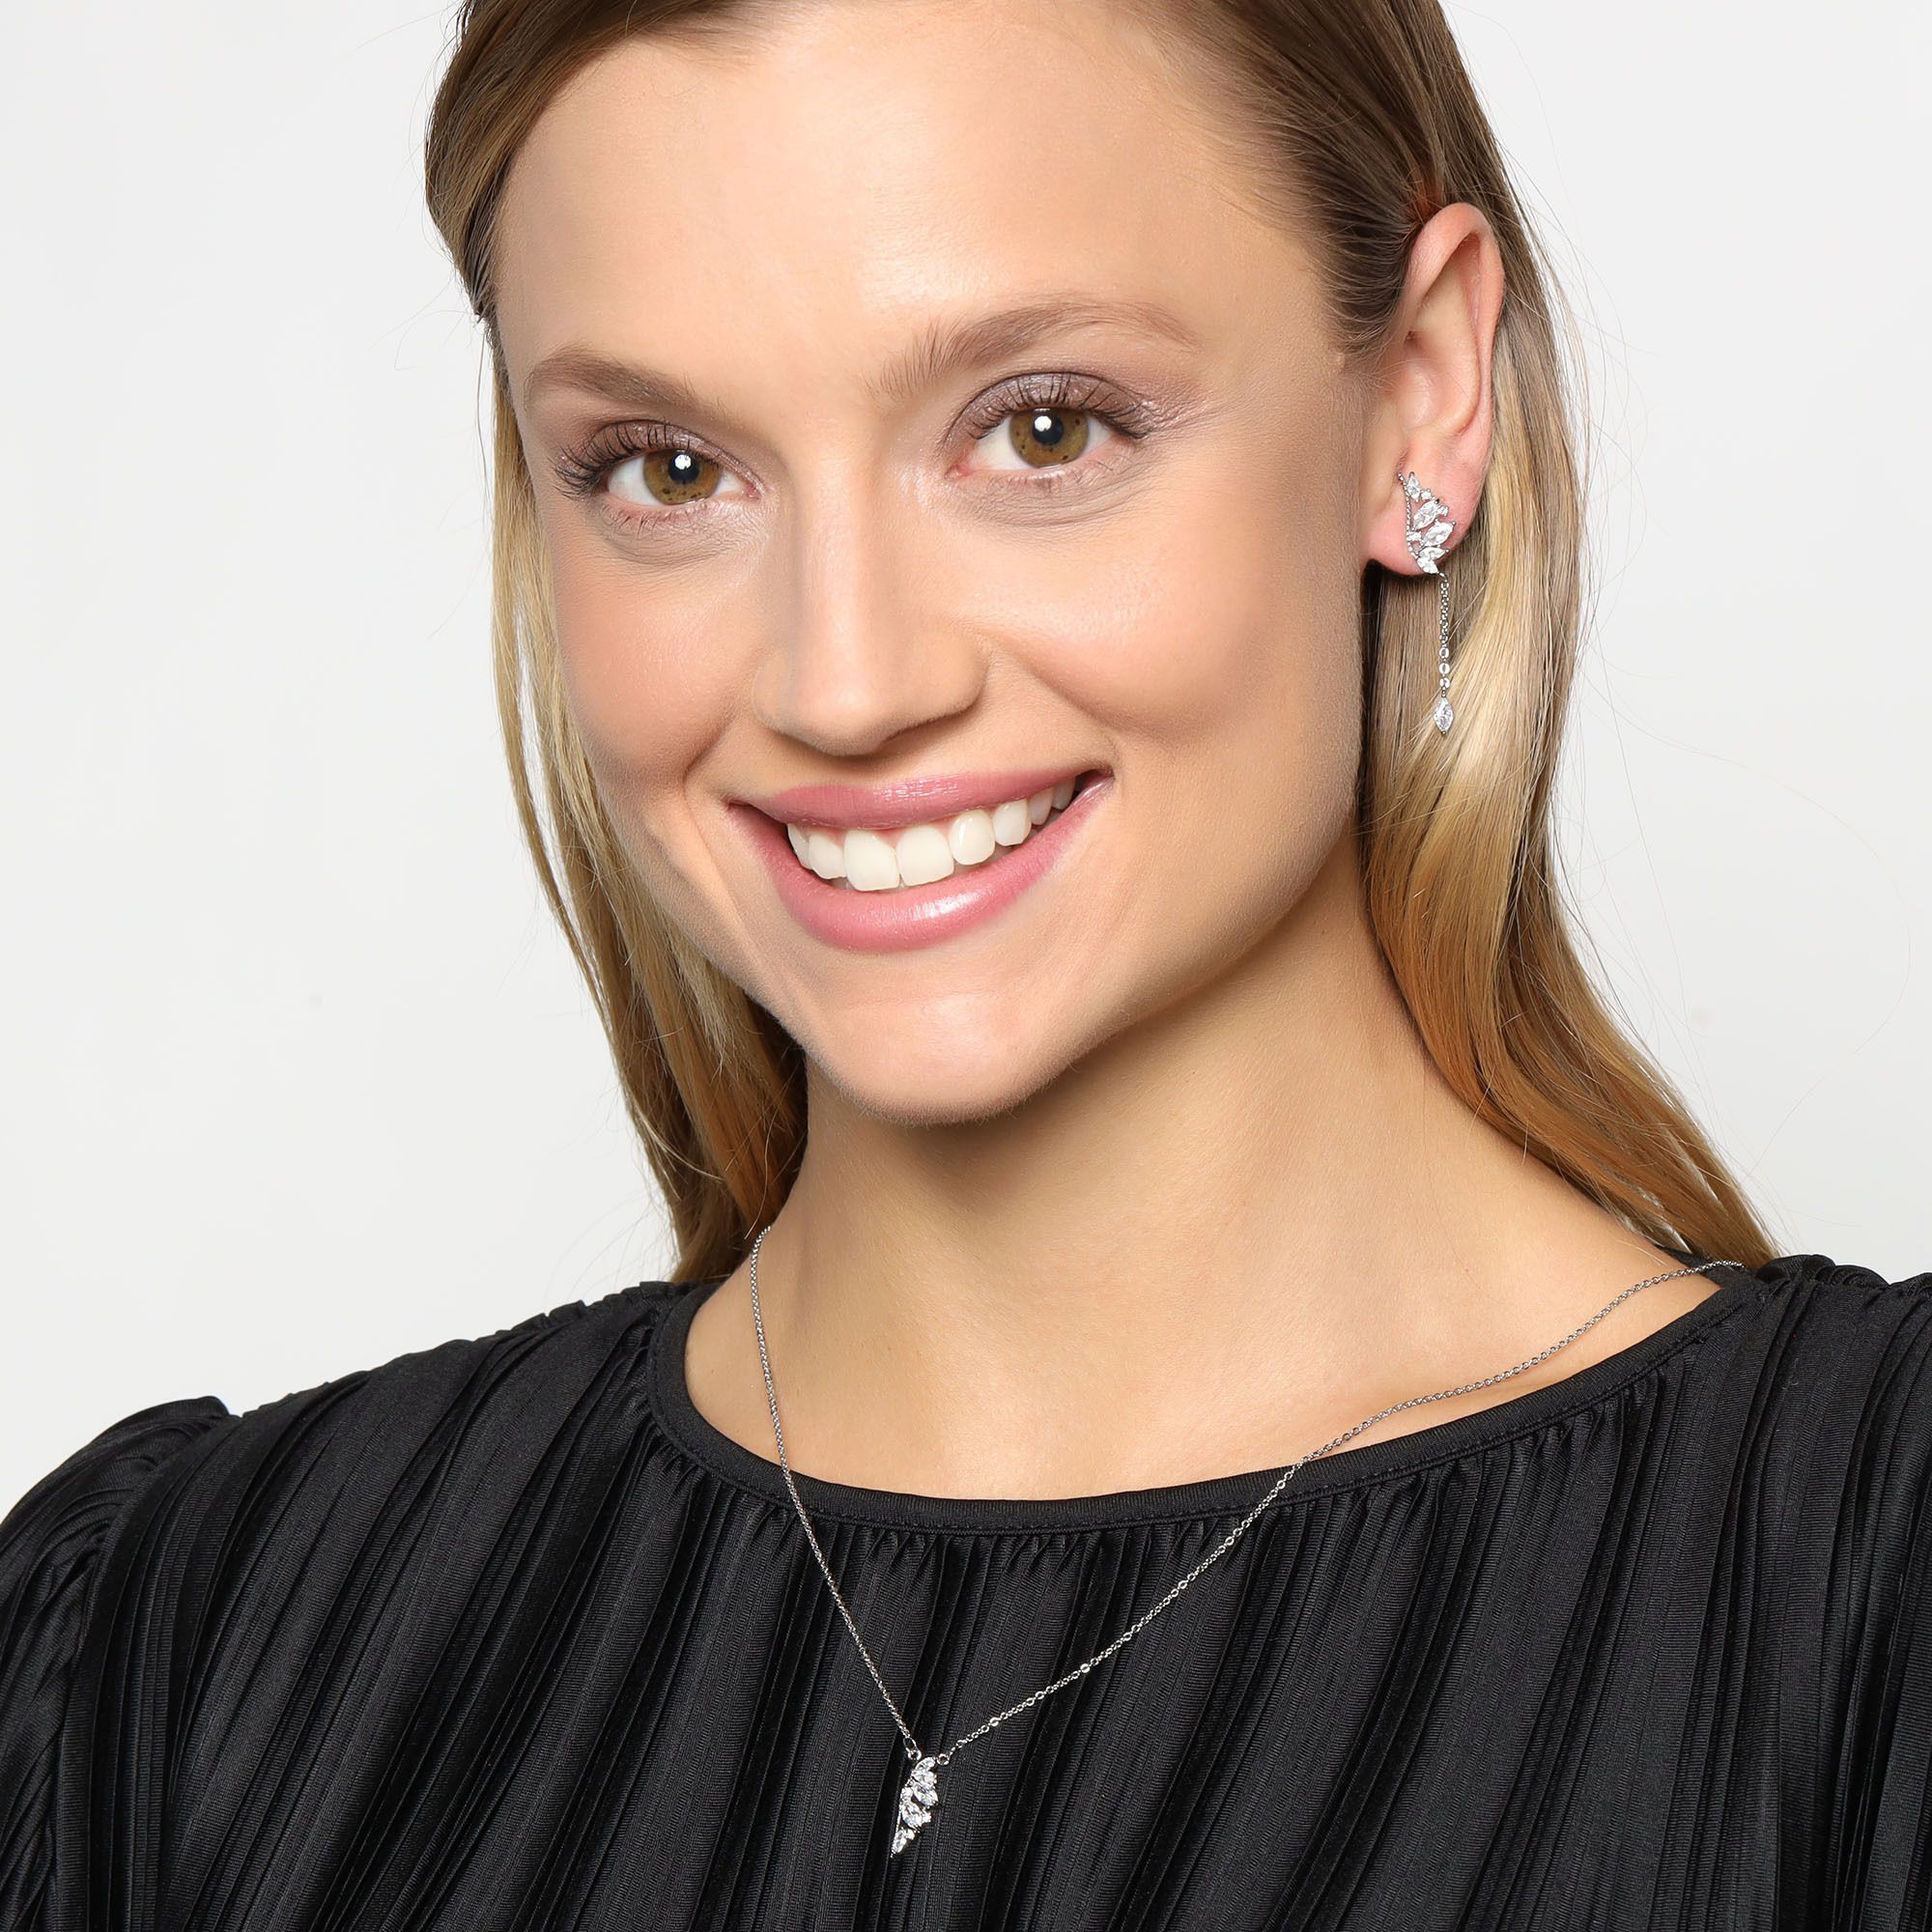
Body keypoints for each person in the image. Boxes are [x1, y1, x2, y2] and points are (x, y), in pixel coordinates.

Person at [4, 1, 1927, 1924]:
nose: (846, 682)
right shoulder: (195, 1643)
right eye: (668, 469)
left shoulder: (1868, 1596)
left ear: (1423, 389)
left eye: (1043, 429)